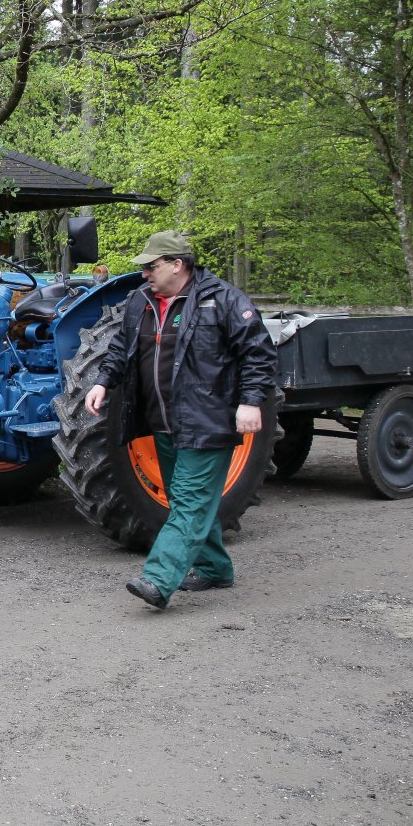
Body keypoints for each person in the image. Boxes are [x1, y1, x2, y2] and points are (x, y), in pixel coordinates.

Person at [83, 230, 277, 610]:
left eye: (151, 267)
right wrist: (103, 381)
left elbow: (258, 354)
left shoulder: (223, 300)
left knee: (188, 501)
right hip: (162, 423)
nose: (145, 274)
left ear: (177, 264)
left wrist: (251, 402)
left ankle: (159, 579)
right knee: (184, 499)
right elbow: (122, 347)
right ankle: (214, 568)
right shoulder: (140, 301)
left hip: (207, 421)